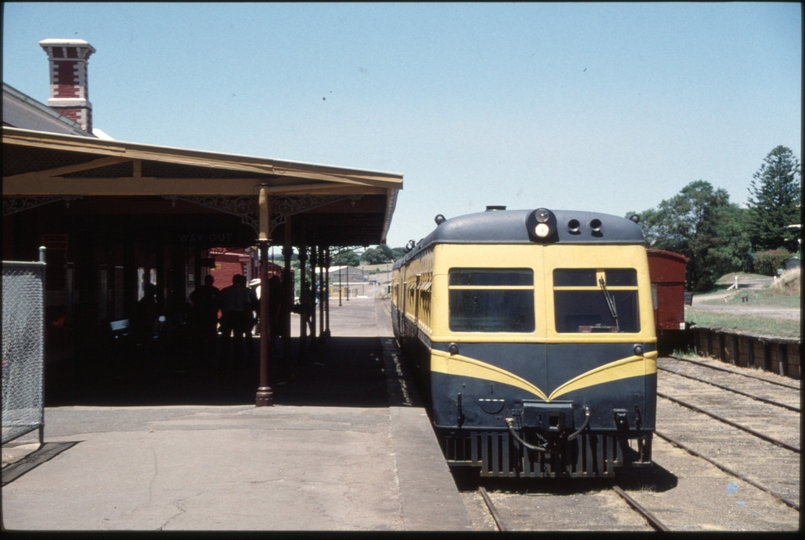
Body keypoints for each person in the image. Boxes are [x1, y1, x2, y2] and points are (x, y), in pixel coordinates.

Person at [218, 274, 253, 365]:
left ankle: (224, 358)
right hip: (239, 315)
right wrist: (249, 318)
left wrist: (223, 313)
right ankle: (238, 359)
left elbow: (220, 304)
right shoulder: (244, 292)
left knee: (225, 337)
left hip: (227, 314)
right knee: (238, 337)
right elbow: (247, 306)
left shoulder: (225, 291)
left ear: (233, 280)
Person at [189, 274, 220, 362]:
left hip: (200, 315)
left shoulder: (199, 290)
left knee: (201, 334)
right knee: (211, 335)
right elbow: (219, 302)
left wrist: (197, 306)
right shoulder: (215, 291)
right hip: (210, 315)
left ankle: (201, 352)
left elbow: (192, 297)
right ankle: (210, 353)